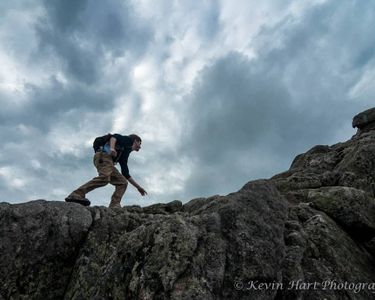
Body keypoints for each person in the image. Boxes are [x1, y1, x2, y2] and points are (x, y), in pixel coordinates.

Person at [65, 133, 147, 208]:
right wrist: (112, 148)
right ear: (136, 141)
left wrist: (138, 187)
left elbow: (126, 174)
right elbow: (114, 137)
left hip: (109, 162)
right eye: (140, 143)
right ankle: (77, 194)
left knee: (123, 182)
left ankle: (114, 205)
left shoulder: (125, 152)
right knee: (105, 178)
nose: (140, 147)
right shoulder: (129, 140)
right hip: (103, 156)